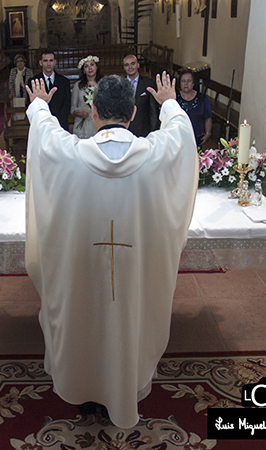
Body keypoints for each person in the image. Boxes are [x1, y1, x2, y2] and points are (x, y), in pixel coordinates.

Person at [24, 73, 198, 428]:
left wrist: (40, 104)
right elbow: (181, 133)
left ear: (92, 111)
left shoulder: (68, 154)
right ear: (133, 113)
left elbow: (43, 131)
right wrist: (169, 103)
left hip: (82, 272)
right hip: (134, 274)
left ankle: (83, 390)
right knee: (125, 322)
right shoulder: (157, 153)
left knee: (85, 318)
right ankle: (123, 388)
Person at [30, 51, 71, 131]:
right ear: (40, 63)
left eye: (51, 60)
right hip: (41, 125)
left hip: (60, 125)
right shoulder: (33, 82)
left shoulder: (64, 81)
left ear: (54, 62)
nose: (48, 64)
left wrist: (56, 122)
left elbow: (67, 104)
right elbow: (31, 104)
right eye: (45, 61)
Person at [123, 54, 160, 137]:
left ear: (138, 65)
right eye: (126, 65)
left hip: (143, 132)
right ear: (124, 68)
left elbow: (153, 111)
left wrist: (153, 134)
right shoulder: (119, 84)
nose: (130, 67)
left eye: (132, 63)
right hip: (125, 131)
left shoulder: (149, 84)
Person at [177, 69, 212, 147]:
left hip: (196, 138)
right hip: (178, 139)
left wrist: (207, 134)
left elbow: (208, 117)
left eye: (189, 81)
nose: (186, 83)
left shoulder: (202, 98)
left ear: (193, 83)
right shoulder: (174, 98)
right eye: (183, 81)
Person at [71, 55, 103, 139]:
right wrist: (79, 113)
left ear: (96, 67)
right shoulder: (78, 86)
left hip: (98, 123)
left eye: (92, 65)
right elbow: (72, 108)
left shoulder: (103, 84)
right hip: (82, 124)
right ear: (84, 70)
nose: (90, 68)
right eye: (86, 66)